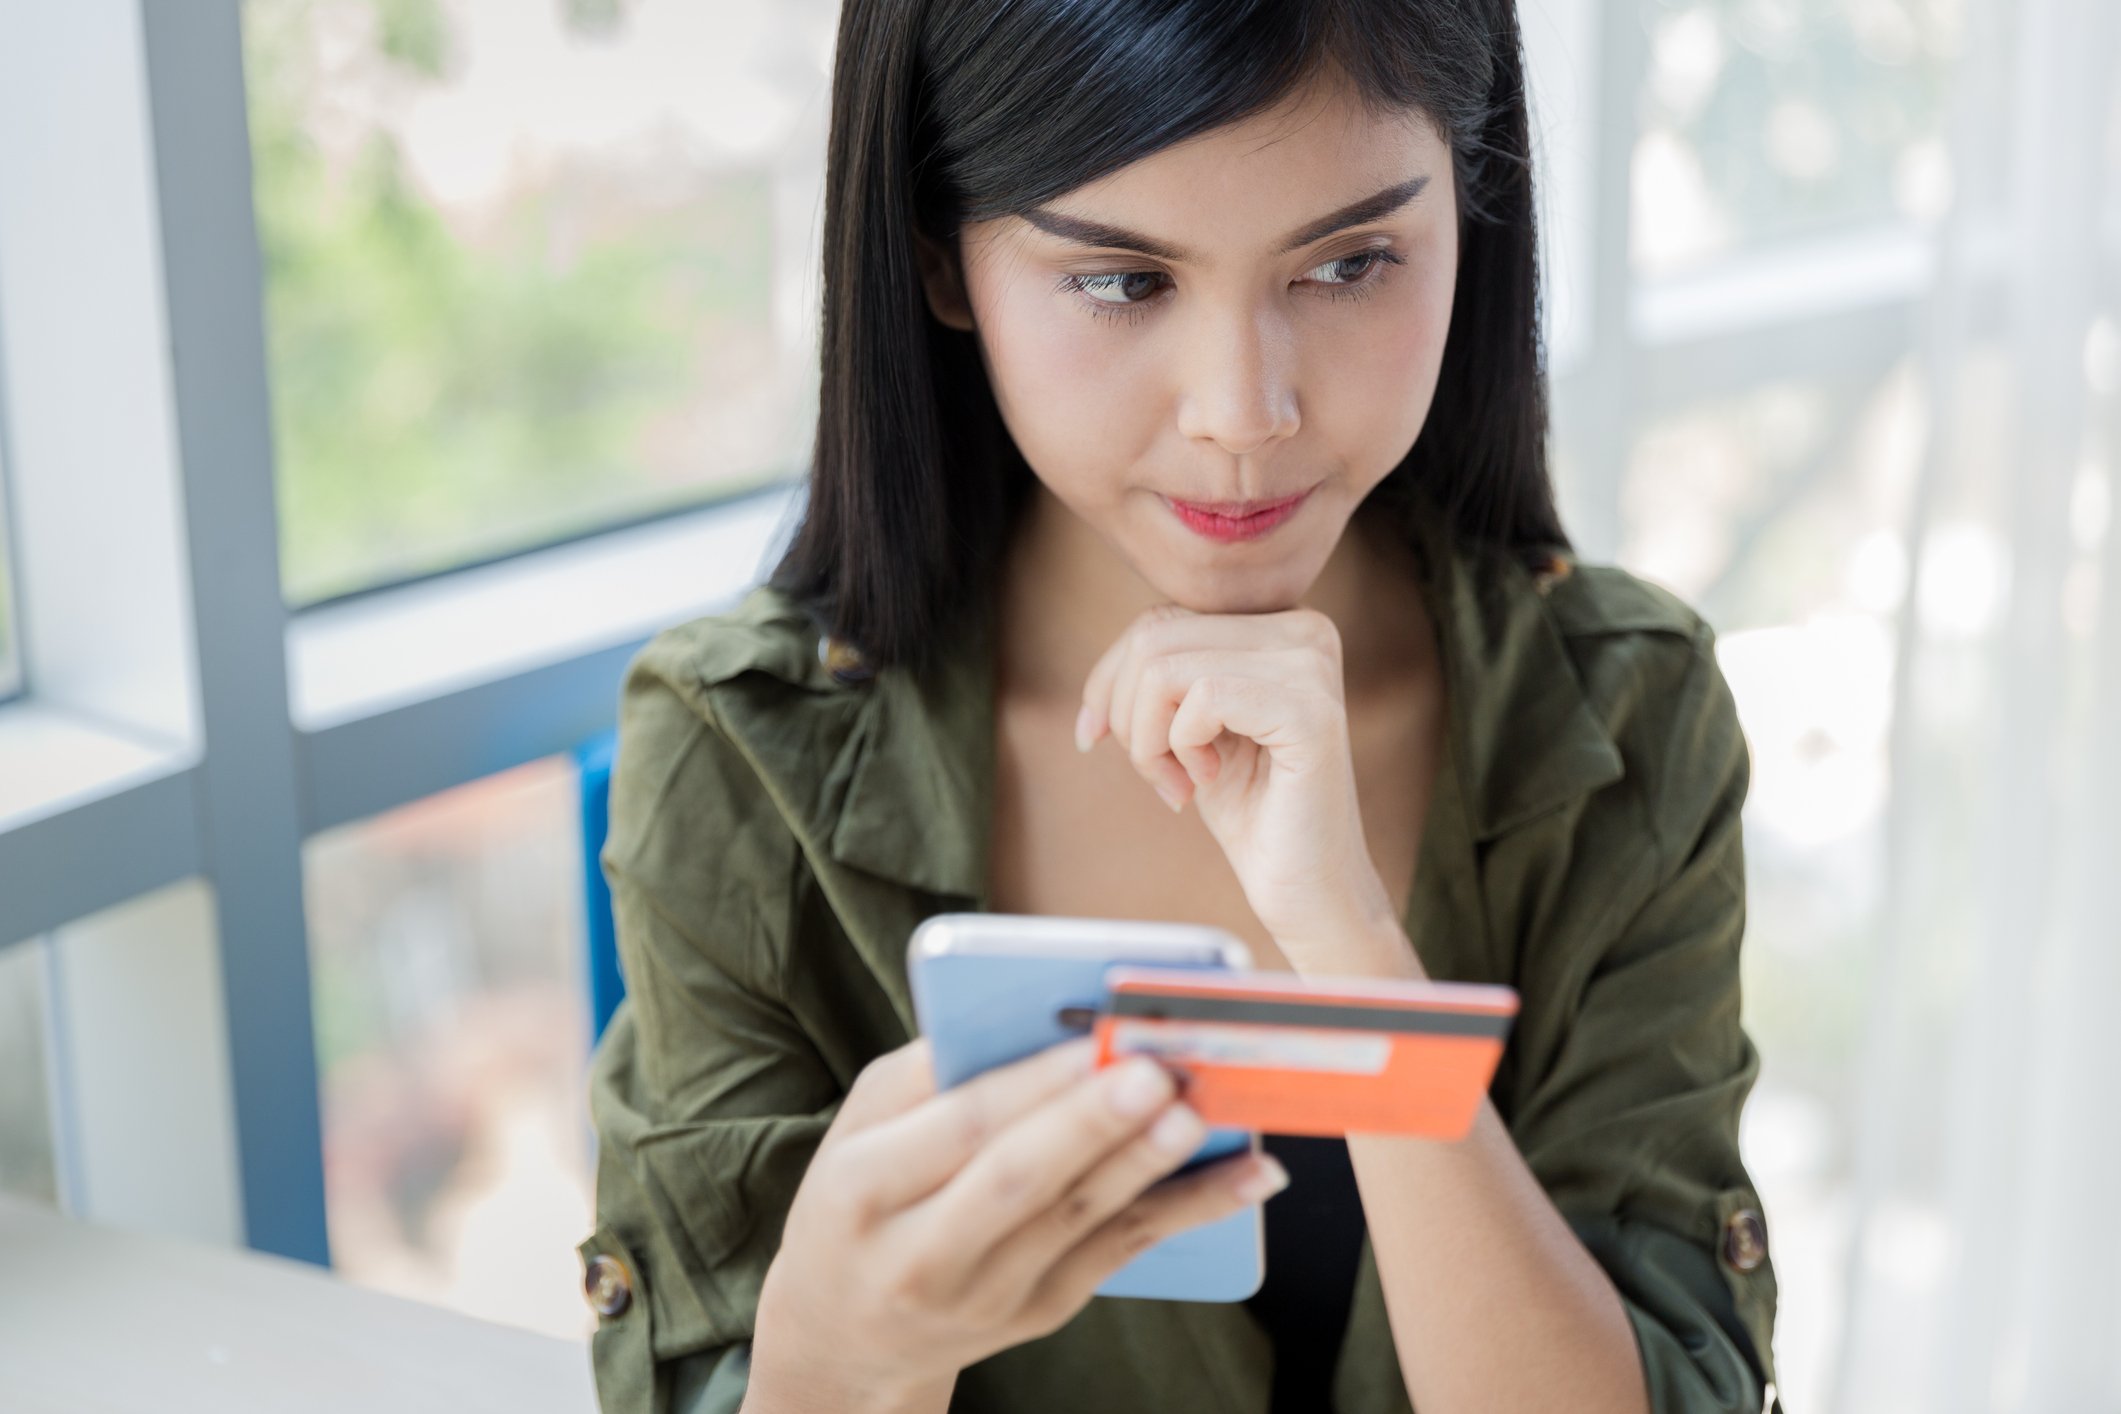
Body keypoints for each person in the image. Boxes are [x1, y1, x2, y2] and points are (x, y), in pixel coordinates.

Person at [577, 1, 1783, 1411]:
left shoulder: (1624, 716)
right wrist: (836, 1358)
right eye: (1121, 283)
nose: (1241, 410)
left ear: (1470, 206)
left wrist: (1350, 944)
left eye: (1349, 260)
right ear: (936, 251)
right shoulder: (739, 758)